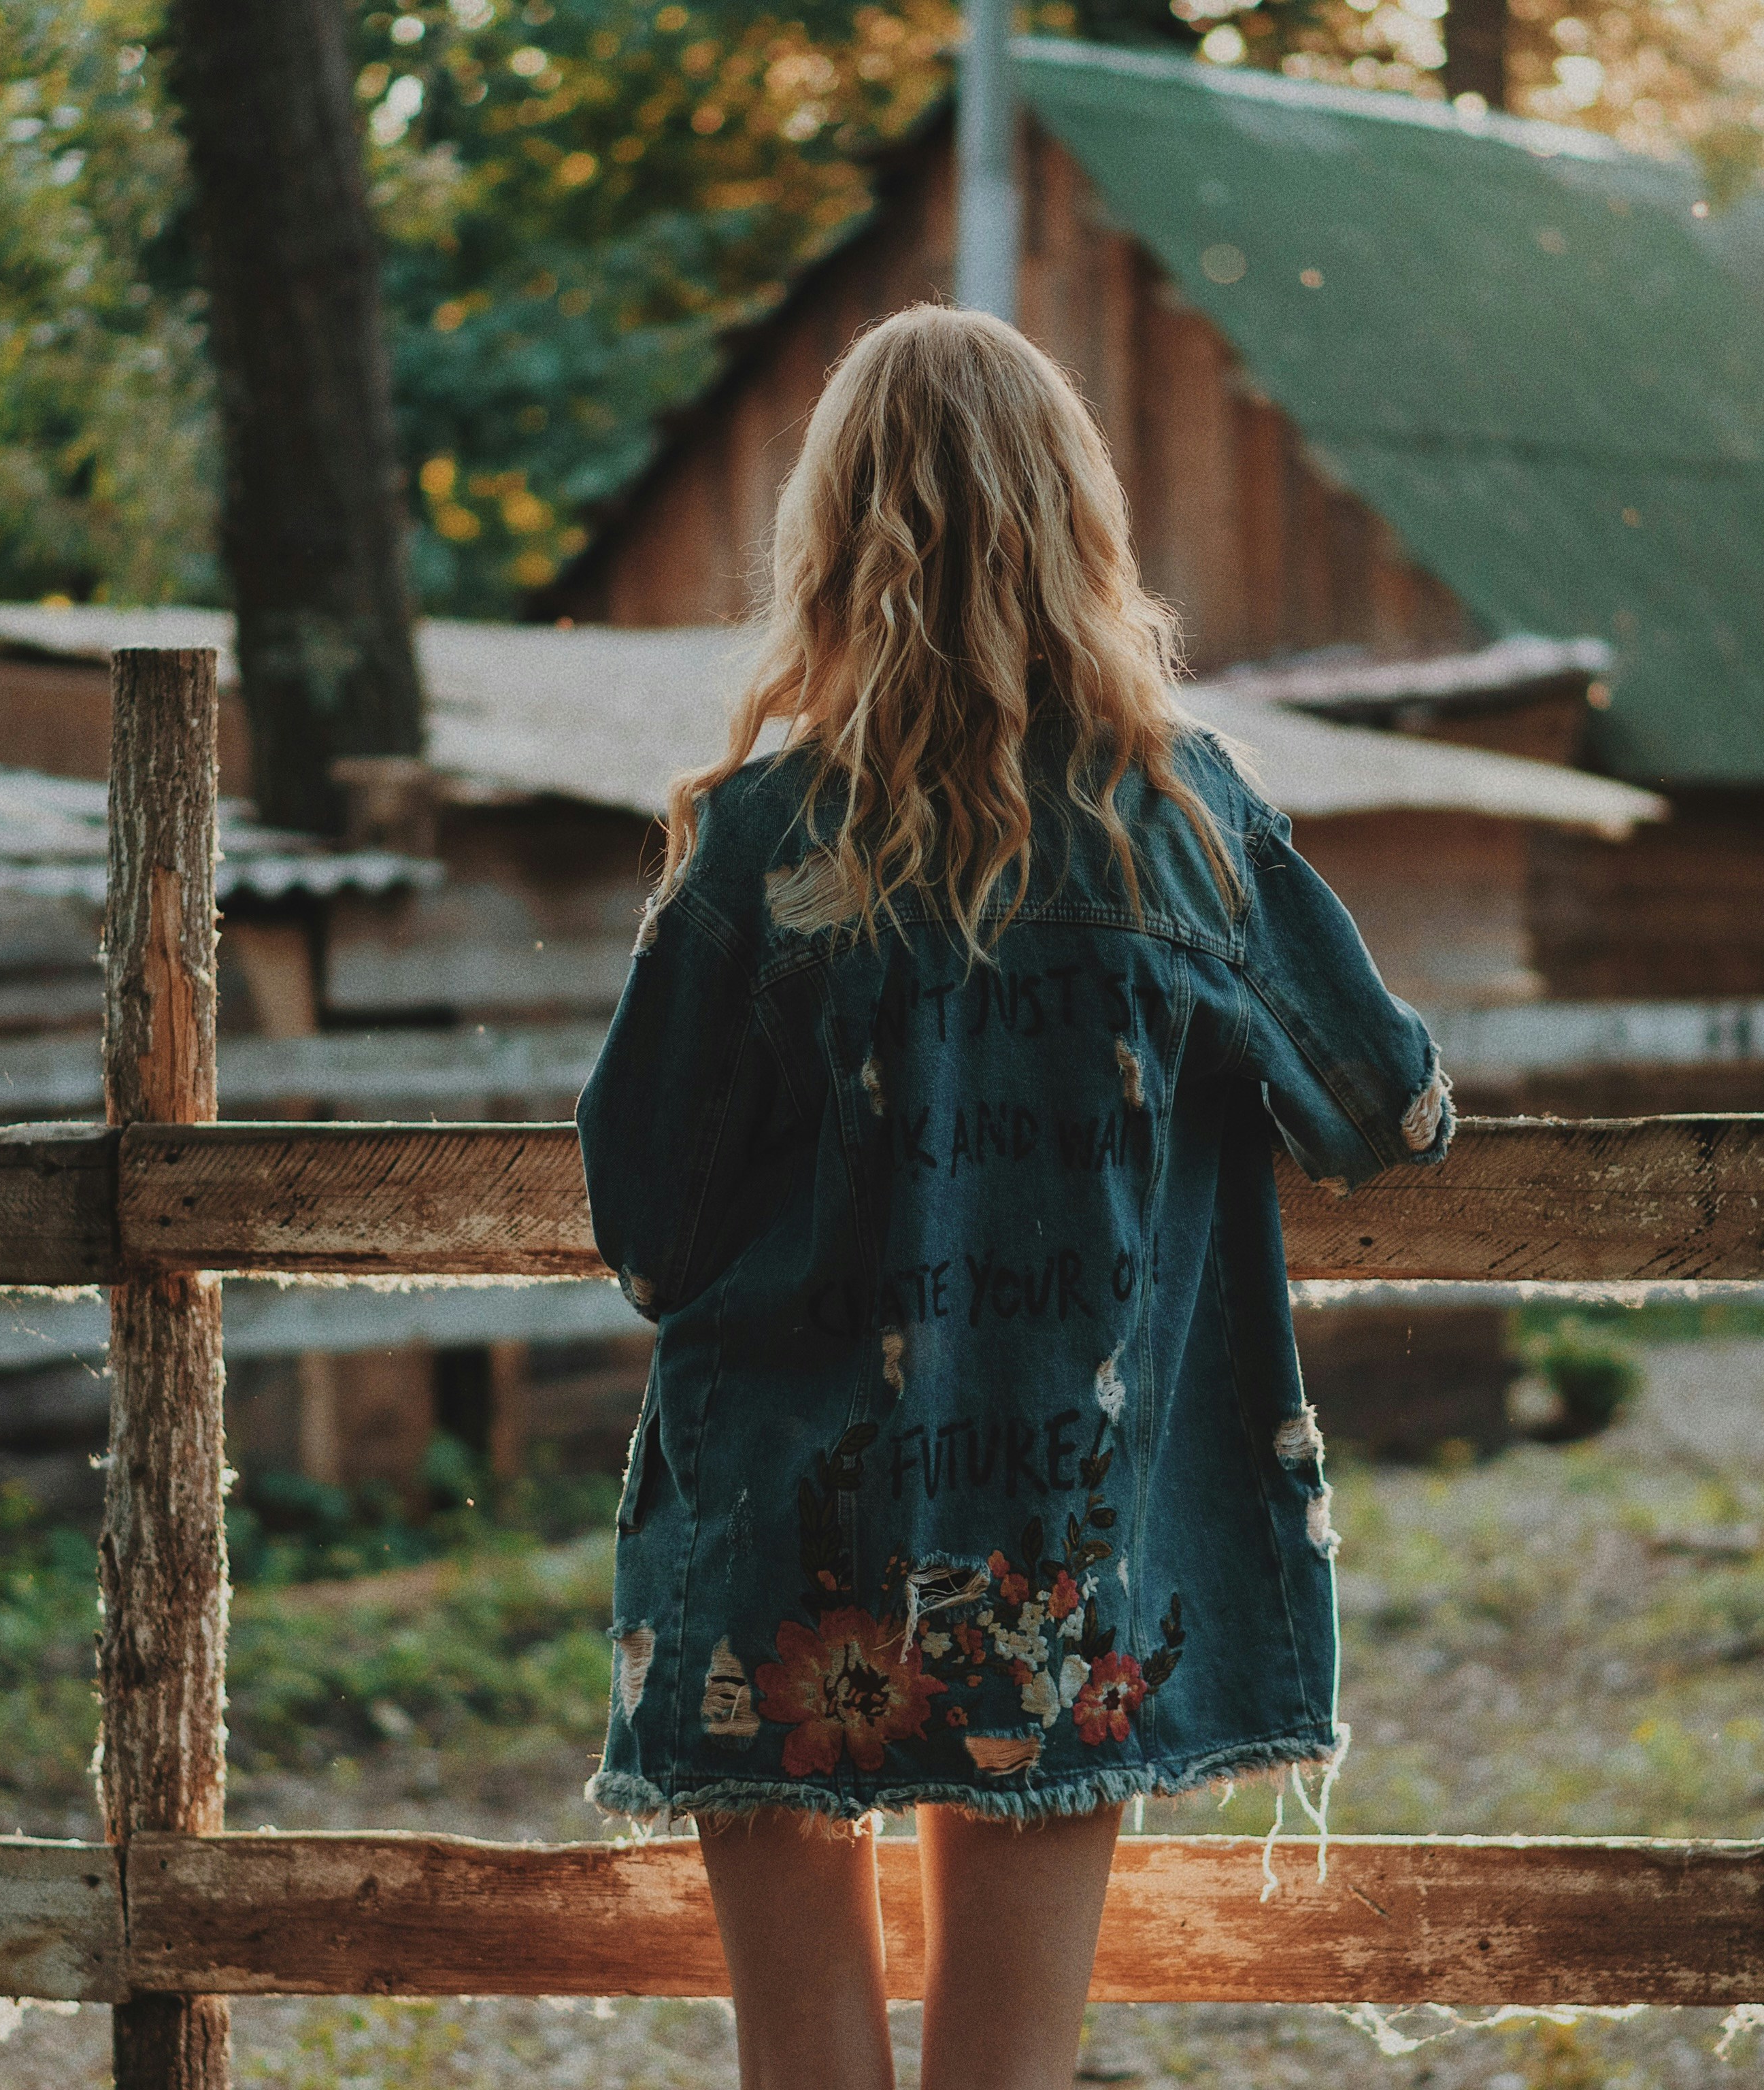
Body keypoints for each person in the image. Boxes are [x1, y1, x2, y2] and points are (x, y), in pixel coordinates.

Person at [576, 303, 1452, 2090]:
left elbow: (647, 1220)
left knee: (802, 2061)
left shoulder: (757, 844)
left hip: (773, 1543)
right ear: (1081, 528)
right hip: (1056, 1548)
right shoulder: (1186, 823)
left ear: (831, 540)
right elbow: (1381, 1109)